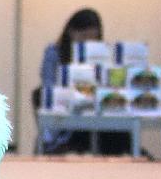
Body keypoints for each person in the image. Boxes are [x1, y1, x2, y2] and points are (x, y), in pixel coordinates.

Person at [35, 8, 130, 154]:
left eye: (93, 39)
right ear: (71, 32)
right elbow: (50, 87)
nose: (87, 43)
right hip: (67, 119)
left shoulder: (100, 56)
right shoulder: (55, 54)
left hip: (94, 116)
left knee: (117, 132)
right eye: (83, 37)